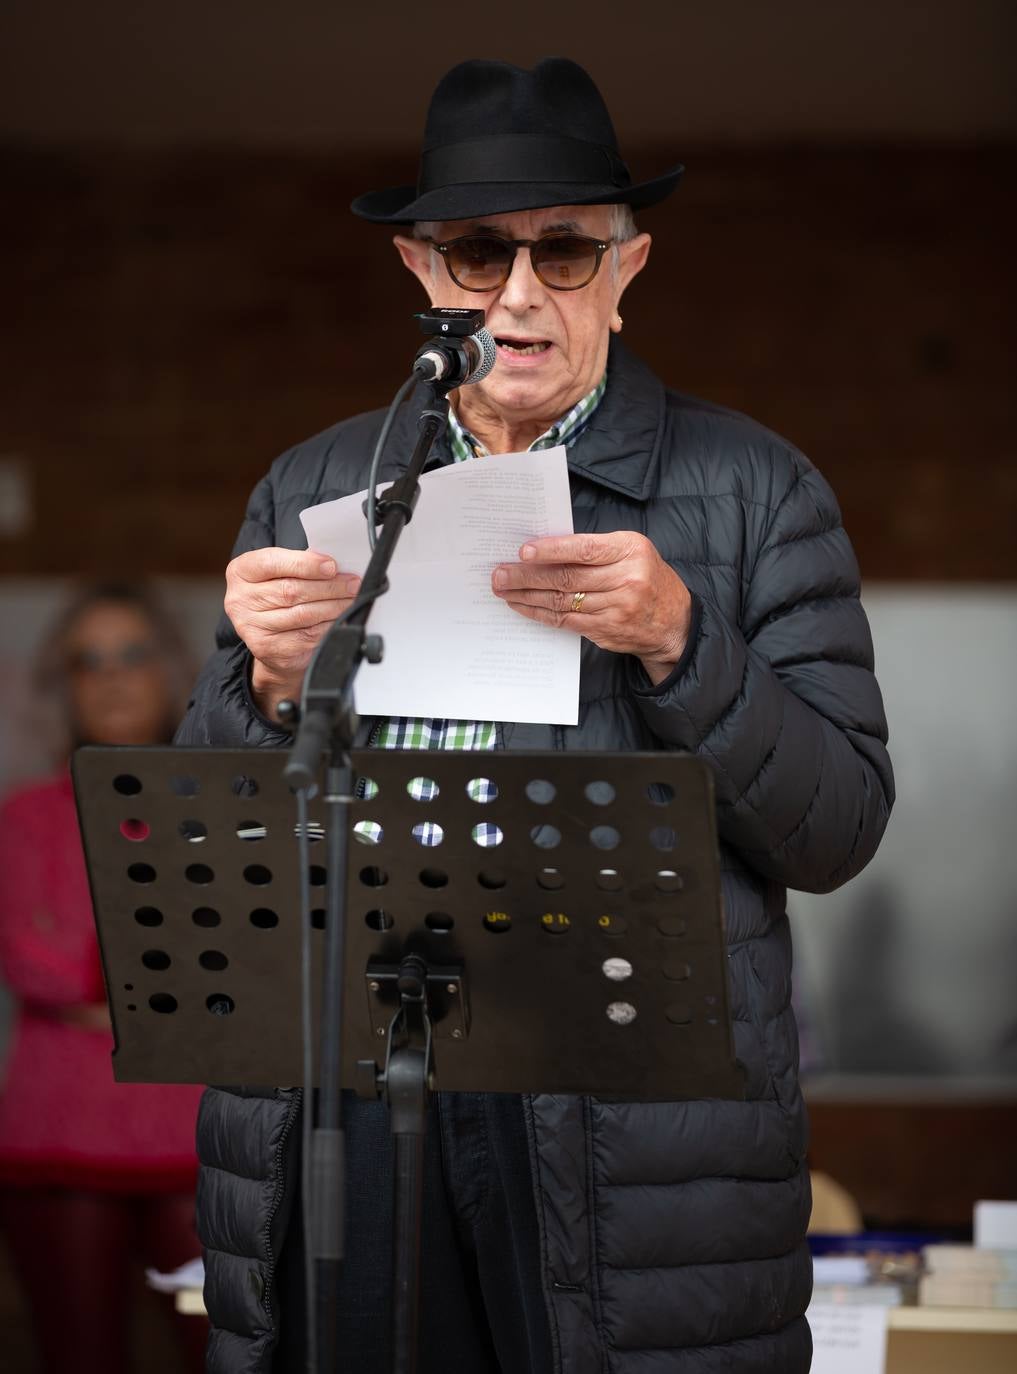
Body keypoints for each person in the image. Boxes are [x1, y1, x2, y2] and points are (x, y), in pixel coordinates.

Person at [177, 58, 894, 1373]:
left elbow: (839, 826)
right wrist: (265, 691)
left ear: (628, 269)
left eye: (563, 251)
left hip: (620, 1127)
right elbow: (211, 846)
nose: (515, 294)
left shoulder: (753, 490)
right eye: (475, 252)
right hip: (352, 1076)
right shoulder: (315, 482)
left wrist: (684, 644)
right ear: (418, 269)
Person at [0, 582, 208, 1374]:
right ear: (65, 685)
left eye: (132, 654)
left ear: (172, 670)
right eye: (88, 661)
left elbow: (240, 966)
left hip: (194, 1142)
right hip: (55, 1139)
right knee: (78, 1354)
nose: (112, 676)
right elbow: (33, 962)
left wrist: (102, 978)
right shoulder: (25, 816)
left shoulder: (213, 806)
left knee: (222, 1347)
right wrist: (169, 979)